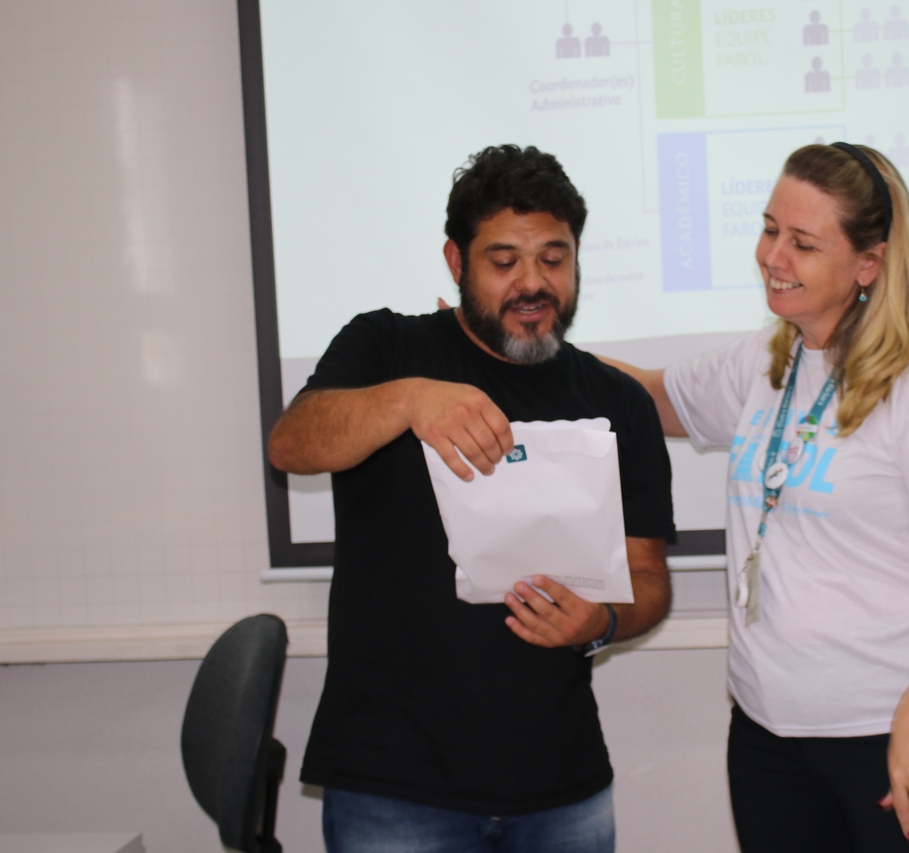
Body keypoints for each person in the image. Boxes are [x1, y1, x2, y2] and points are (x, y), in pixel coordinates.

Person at [268, 144, 676, 853]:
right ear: (457, 262)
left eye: (554, 258)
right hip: (393, 786)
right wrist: (407, 401)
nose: (533, 282)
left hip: (562, 785)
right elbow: (292, 444)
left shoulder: (616, 401)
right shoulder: (388, 347)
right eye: (504, 261)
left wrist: (602, 621)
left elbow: (648, 579)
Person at [603, 143, 909, 851]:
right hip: (769, 739)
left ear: (868, 263)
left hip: (899, 737)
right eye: (769, 230)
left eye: (803, 242)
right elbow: (646, 397)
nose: (773, 256)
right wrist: (517, 344)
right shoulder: (769, 359)